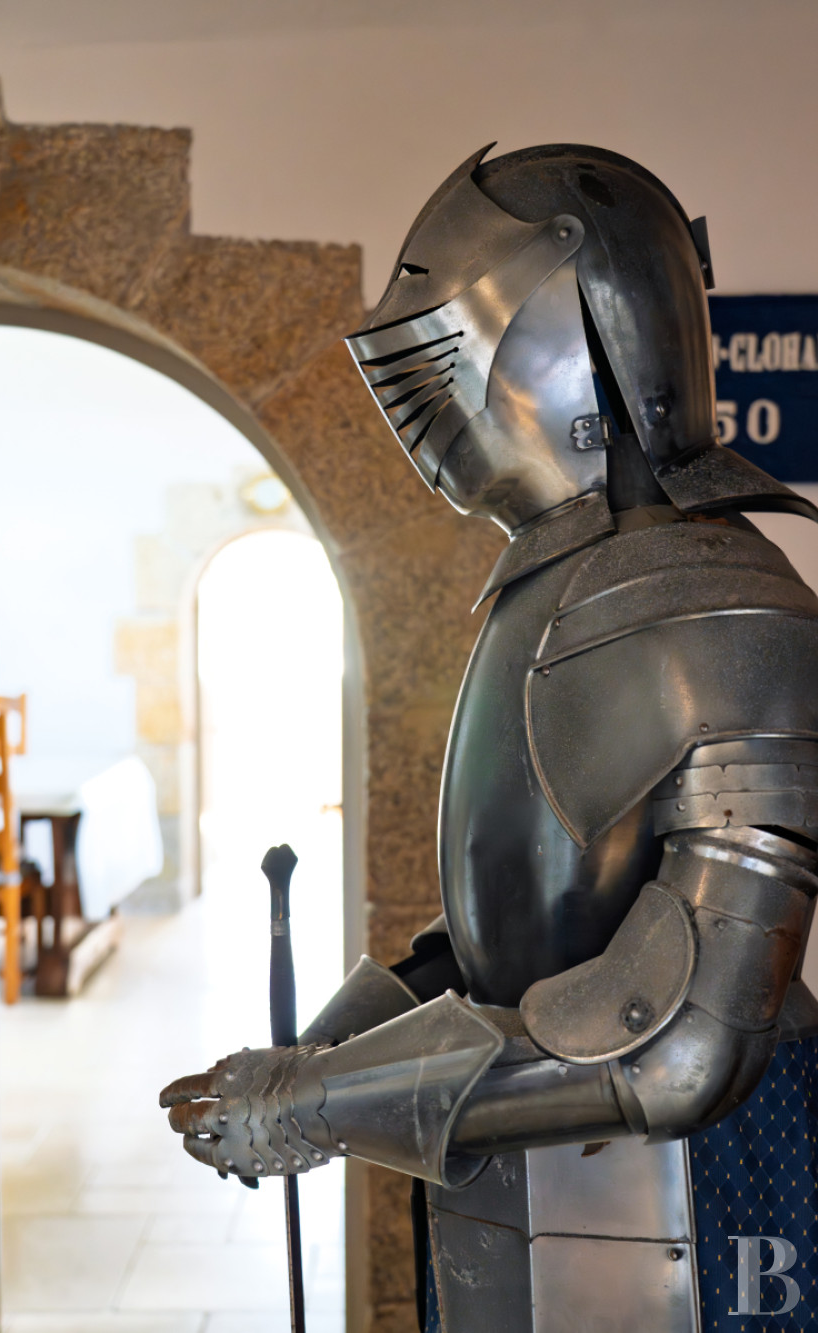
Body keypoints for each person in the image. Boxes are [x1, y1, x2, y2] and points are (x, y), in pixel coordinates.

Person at [162, 145, 818, 1330]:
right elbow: (506, 939)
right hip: (524, 1186)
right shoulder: (557, 591)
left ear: (574, 317)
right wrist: (310, 1065)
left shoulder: (715, 603)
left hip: (687, 1215)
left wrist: (312, 1101)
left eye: (443, 335)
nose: (419, 386)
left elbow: (679, 1048)